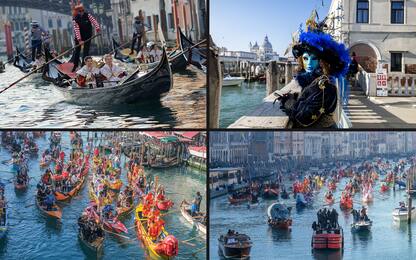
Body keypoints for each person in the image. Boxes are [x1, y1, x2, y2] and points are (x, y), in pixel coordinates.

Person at [277, 15, 350, 128]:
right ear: (301, 60)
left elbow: (302, 118)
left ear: (322, 62)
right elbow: (307, 100)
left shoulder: (324, 86)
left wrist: (287, 102)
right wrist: (296, 98)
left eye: (314, 58)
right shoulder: (312, 81)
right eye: (306, 58)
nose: (309, 63)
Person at [71, 3, 100, 72]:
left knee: (86, 51)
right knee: (77, 51)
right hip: (79, 36)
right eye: (80, 11)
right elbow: (77, 30)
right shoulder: (75, 19)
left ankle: (83, 65)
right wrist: (79, 40)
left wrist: (98, 29)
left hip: (87, 36)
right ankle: (75, 66)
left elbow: (94, 21)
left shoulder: (88, 15)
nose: (81, 12)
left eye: (82, 11)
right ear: (77, 12)